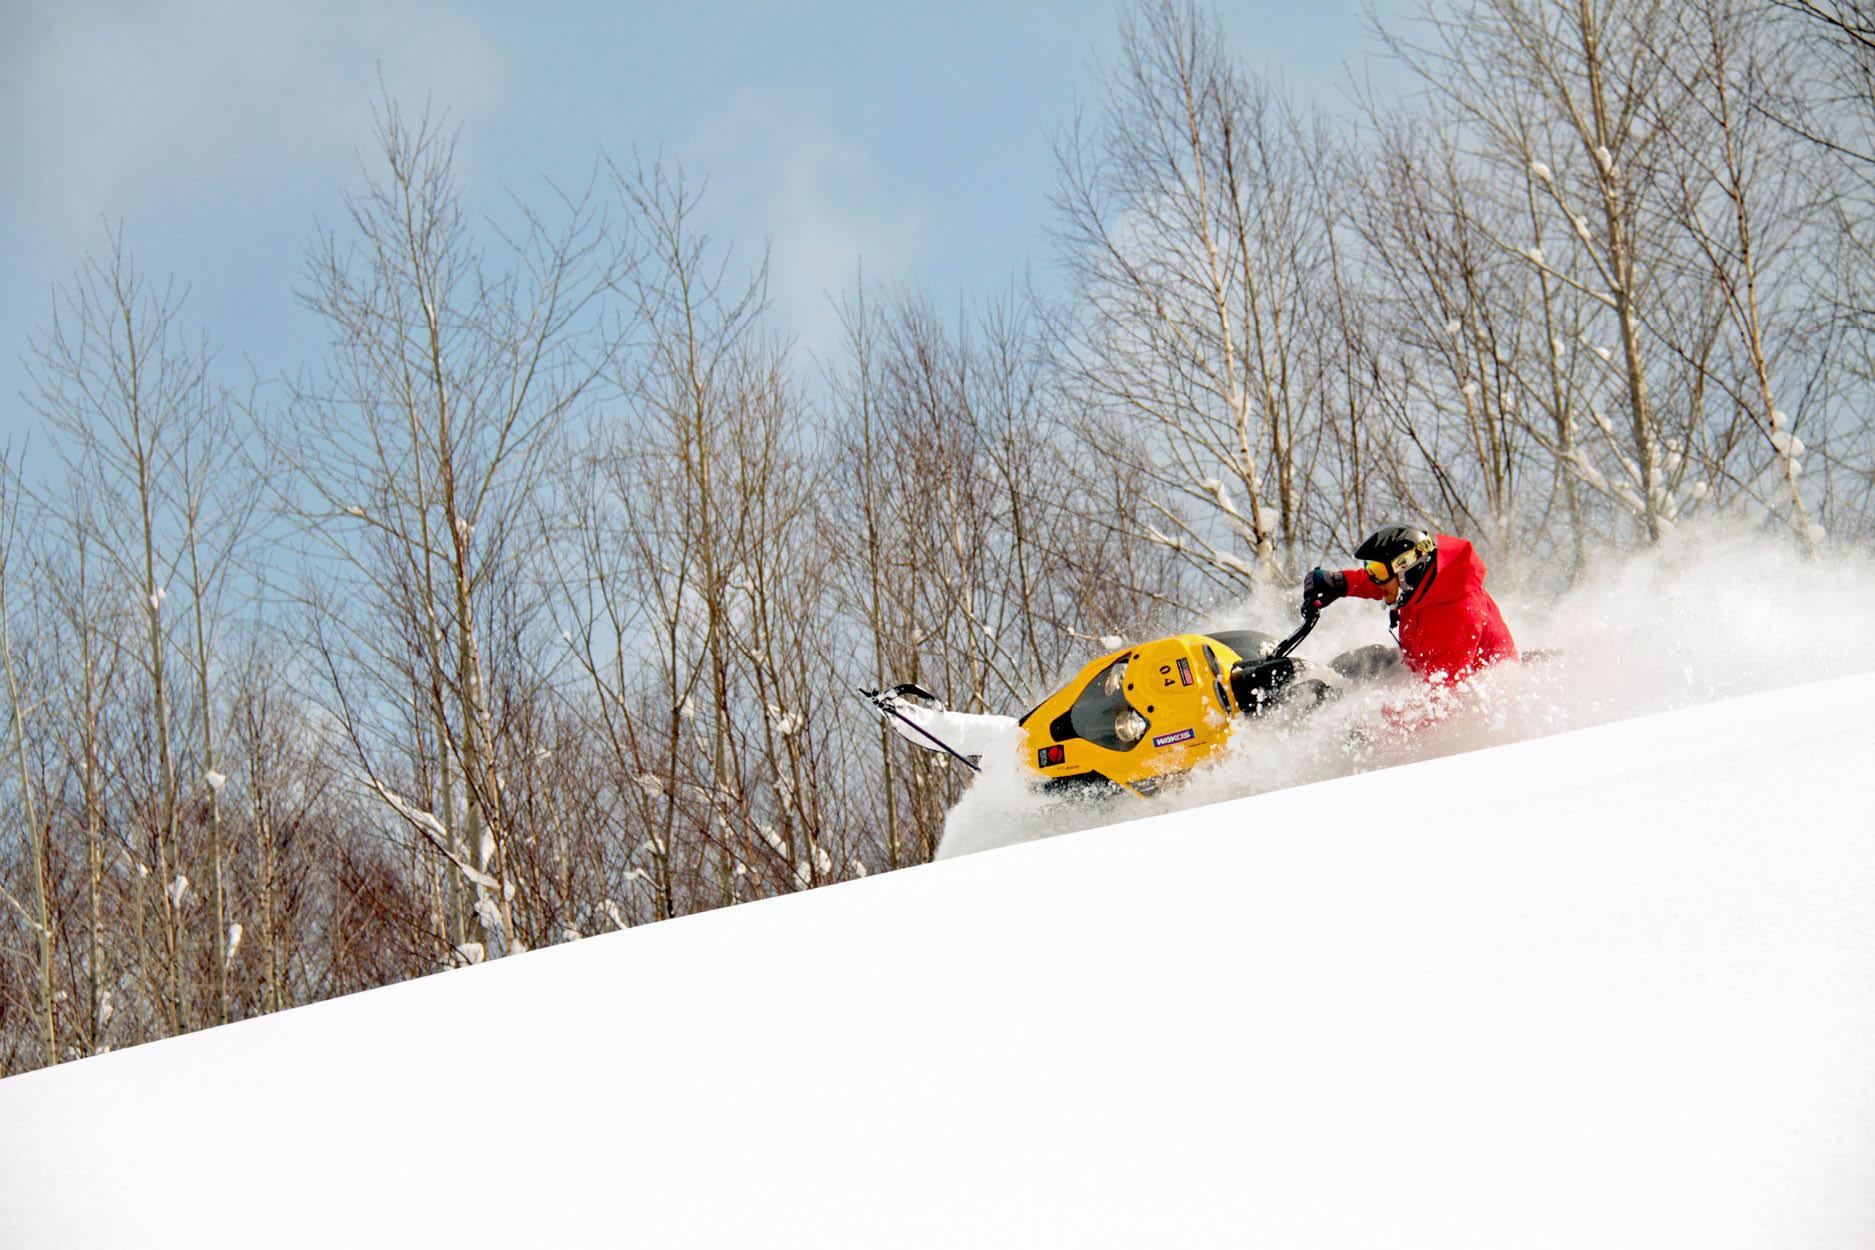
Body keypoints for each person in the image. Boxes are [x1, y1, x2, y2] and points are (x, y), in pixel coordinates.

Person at [1301, 525, 1517, 684]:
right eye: (1371, 570)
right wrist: (1339, 582)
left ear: (1408, 569)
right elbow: (1381, 582)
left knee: (1368, 677)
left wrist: (1371, 729)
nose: (1374, 579)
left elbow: (1438, 701)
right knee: (1361, 662)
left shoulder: (1459, 613)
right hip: (1417, 671)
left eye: (1378, 571)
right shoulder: (1420, 586)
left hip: (1472, 700)